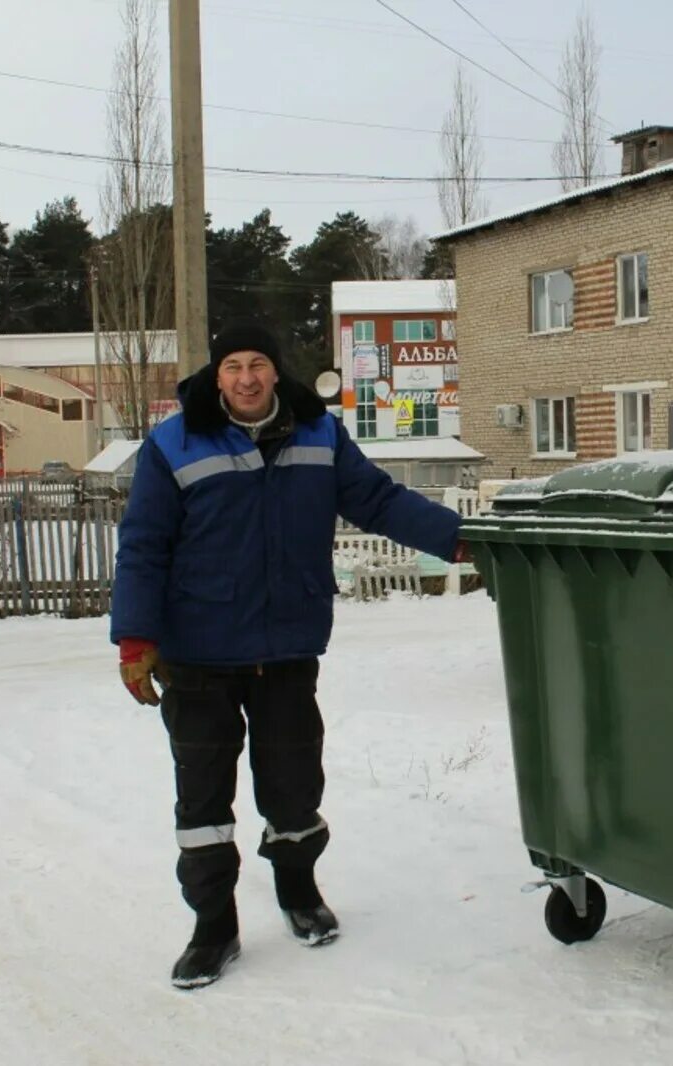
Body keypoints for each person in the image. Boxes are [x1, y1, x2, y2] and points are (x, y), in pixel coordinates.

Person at [111, 320, 463, 989]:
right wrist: (135, 636)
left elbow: (377, 500)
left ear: (277, 371)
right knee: (204, 802)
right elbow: (145, 542)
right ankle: (213, 925)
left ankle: (298, 891)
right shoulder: (174, 442)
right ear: (216, 376)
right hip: (198, 653)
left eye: (258, 364)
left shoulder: (319, 432)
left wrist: (458, 540)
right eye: (233, 366)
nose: (246, 378)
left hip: (287, 644)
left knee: (295, 787)